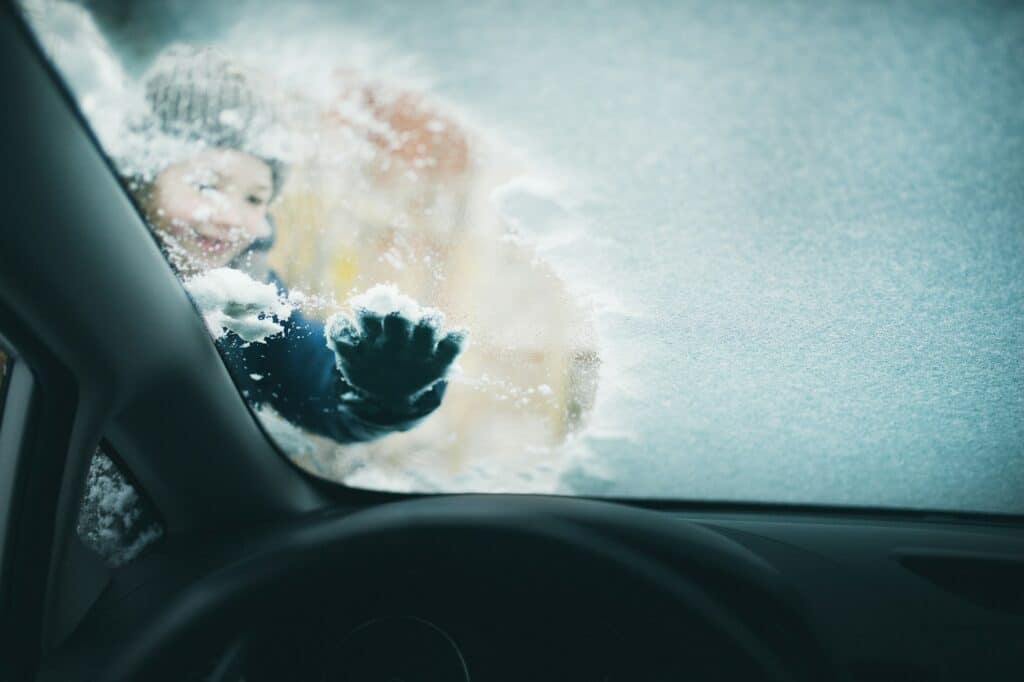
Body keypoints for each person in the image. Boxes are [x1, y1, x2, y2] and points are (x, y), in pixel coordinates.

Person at [125, 45, 464, 444]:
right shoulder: (94, 263)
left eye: (254, 198)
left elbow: (311, 380)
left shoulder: (248, 298)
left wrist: (376, 392)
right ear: (142, 177)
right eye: (207, 184)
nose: (231, 216)